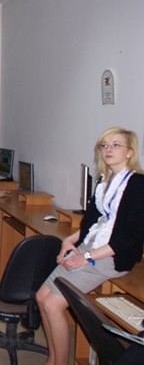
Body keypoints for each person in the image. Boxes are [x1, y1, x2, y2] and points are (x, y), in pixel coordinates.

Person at [36, 127, 144, 365]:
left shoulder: (138, 184)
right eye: (104, 146)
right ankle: (53, 359)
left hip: (111, 257)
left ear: (129, 152)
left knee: (53, 304)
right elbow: (95, 220)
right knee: (41, 297)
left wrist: (87, 257)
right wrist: (70, 240)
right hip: (90, 247)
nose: (108, 150)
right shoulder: (105, 181)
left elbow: (132, 235)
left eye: (116, 145)